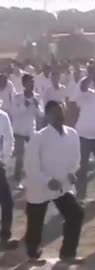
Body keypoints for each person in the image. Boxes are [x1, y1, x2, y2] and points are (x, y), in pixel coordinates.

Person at [24, 100, 84, 264]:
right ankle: (32, 254)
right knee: (35, 222)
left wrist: (72, 173)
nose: (59, 116)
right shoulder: (39, 137)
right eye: (55, 113)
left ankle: (68, 253)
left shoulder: (72, 134)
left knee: (76, 215)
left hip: (62, 185)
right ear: (48, 116)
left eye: (61, 112)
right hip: (40, 186)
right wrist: (47, 180)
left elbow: (76, 158)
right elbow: (31, 165)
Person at [10, 74, 43, 190]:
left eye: (33, 82)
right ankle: (17, 180)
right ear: (24, 84)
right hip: (18, 130)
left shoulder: (37, 97)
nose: (32, 85)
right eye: (29, 82)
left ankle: (34, 178)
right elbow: (14, 113)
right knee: (20, 157)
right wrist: (25, 105)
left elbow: (41, 114)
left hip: (31, 130)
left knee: (35, 155)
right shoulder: (17, 98)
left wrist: (37, 106)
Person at [0, 104, 16, 250]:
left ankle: (5, 235)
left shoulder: (3, 117)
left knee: (7, 202)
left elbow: (9, 140)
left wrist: (3, 160)